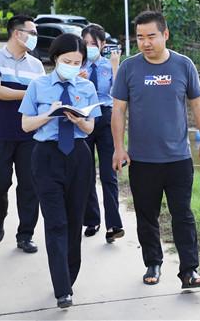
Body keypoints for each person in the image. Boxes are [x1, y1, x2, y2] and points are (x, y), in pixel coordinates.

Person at [111, 10, 200, 288]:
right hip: (142, 160)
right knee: (147, 216)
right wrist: (119, 148)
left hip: (178, 159)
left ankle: (189, 271)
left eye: (151, 36)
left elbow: (198, 104)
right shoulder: (129, 68)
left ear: (165, 35)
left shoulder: (183, 65)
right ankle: (153, 262)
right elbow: (118, 111)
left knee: (183, 214)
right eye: (140, 37)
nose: (145, 42)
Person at [19, 34, 101, 308]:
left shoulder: (86, 86)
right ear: (55, 58)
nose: (72, 66)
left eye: (77, 62)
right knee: (55, 222)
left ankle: (70, 276)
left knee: (74, 221)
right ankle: (62, 289)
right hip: (46, 157)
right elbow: (26, 125)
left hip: (78, 157)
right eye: (67, 61)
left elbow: (90, 128)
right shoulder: (38, 85)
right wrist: (50, 113)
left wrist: (79, 120)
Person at [0, 14, 43, 254]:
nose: (36, 38)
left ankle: (25, 234)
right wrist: (30, 93)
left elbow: (42, 97)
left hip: (29, 134)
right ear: (18, 33)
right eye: (33, 33)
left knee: (30, 186)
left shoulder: (36, 65)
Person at [78, 23, 125, 243]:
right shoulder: (76, 65)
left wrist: (116, 67)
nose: (89, 47)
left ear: (103, 44)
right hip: (84, 119)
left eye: (93, 43)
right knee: (86, 173)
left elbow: (119, 96)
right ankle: (91, 220)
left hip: (106, 118)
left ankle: (113, 225)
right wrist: (78, 78)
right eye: (85, 43)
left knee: (109, 175)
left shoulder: (110, 65)